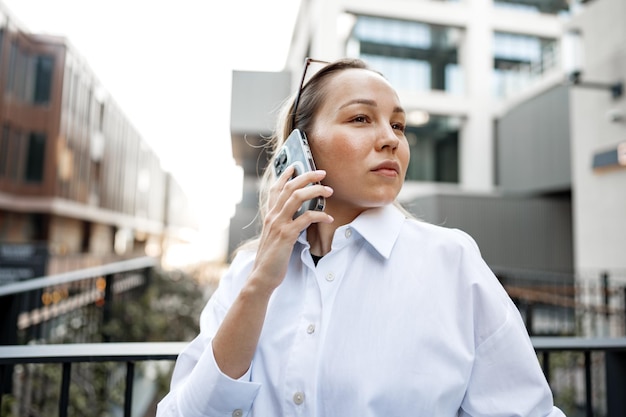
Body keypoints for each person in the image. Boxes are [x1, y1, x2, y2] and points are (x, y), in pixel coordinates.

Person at [156, 57, 565, 417]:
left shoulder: (452, 261)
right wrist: (259, 285)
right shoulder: (246, 273)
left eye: (399, 125)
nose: (391, 138)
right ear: (302, 146)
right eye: (360, 118)